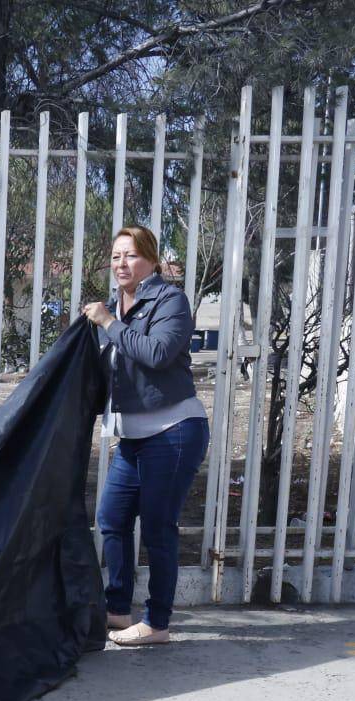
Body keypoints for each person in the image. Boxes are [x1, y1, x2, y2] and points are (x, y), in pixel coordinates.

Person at [82, 224, 208, 647]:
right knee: (112, 520)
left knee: (157, 528)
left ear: (151, 261)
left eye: (131, 255)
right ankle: (117, 610)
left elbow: (157, 353)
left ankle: (157, 623)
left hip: (173, 432)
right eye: (116, 256)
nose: (122, 263)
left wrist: (109, 323)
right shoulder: (114, 305)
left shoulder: (169, 300)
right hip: (134, 438)